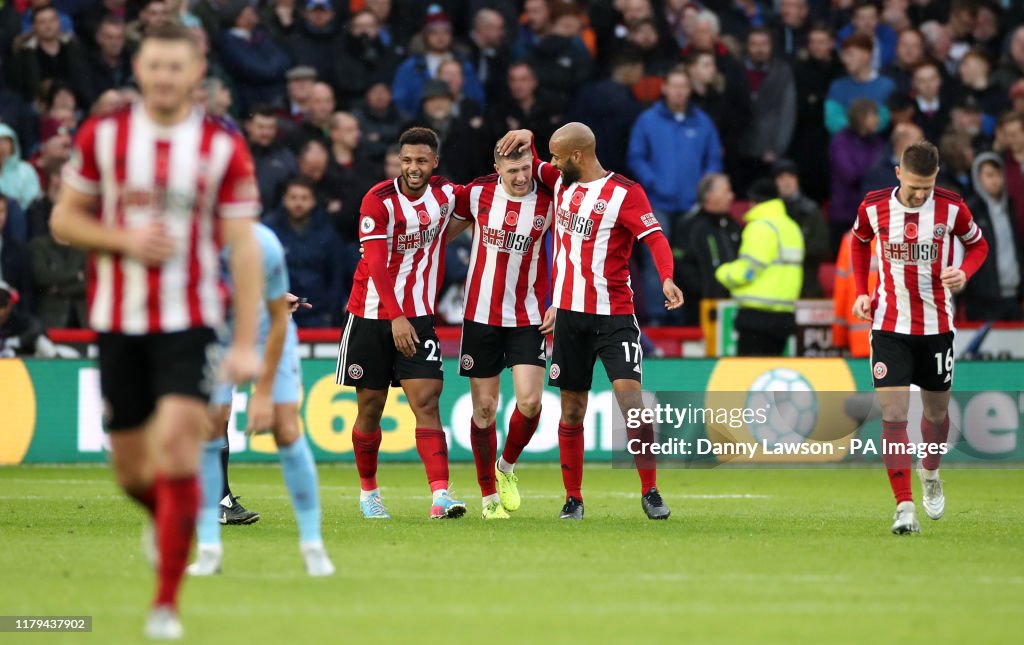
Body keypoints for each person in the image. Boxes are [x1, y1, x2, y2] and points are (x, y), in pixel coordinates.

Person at [49, 23, 263, 640]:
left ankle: (165, 605)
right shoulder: (103, 137)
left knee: (176, 445)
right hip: (118, 321)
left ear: (197, 72)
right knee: (132, 472)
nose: (165, 76)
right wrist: (123, 240)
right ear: (139, 69)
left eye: (177, 66)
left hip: (191, 321)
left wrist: (246, 341)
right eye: (155, 65)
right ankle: (166, 517)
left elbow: (242, 248)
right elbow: (64, 219)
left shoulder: (222, 148)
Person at [497, 123, 684, 521]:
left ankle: (650, 491)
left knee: (632, 403)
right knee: (572, 410)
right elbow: (528, 160)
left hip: (614, 316)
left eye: (556, 156)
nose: (549, 164)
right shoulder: (560, 181)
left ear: (577, 157)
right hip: (569, 319)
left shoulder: (625, 194)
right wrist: (526, 133)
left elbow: (655, 238)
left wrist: (666, 276)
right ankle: (573, 498)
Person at [850, 141, 989, 535]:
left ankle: (930, 471)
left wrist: (965, 273)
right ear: (898, 173)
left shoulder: (951, 208)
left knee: (936, 415)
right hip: (889, 325)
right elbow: (859, 241)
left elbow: (978, 245)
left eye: (927, 186)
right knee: (894, 414)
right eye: (914, 186)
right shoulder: (874, 206)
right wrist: (862, 290)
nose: (920, 194)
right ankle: (904, 506)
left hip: (937, 327)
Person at [335, 127, 467, 520]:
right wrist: (395, 317)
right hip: (372, 316)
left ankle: (440, 496)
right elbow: (375, 263)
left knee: (426, 402)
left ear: (434, 163)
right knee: (371, 407)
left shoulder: (446, 195)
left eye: (421, 161)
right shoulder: (378, 201)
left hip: (420, 316)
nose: (413, 168)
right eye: (407, 160)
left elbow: (485, 191)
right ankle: (369, 493)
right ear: (399, 160)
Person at [188, 223, 334, 577]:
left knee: (285, 428)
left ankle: (313, 546)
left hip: (270, 330)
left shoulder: (264, 243)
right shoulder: (187, 240)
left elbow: (277, 319)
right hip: (218, 335)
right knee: (209, 426)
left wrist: (263, 392)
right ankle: (208, 550)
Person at [446, 144, 553, 519]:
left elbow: (574, 249)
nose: (521, 177)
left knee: (530, 402)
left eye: (526, 169)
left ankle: (506, 467)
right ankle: (489, 498)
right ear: (497, 169)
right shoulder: (477, 193)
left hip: (528, 317)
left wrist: (558, 302)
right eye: (513, 171)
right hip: (481, 316)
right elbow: (440, 232)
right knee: (485, 409)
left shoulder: (549, 200)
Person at [627, 64, 721, 324]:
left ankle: (686, 314)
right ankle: (658, 314)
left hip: (693, 205)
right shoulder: (647, 120)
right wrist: (654, 183)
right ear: (665, 88)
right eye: (674, 86)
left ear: (690, 90)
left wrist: (703, 190)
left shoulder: (703, 122)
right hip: (657, 203)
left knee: (690, 259)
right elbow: (636, 157)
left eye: (683, 86)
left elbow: (713, 160)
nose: (679, 91)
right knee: (655, 258)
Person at [715, 181, 805, 356]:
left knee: (750, 378)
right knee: (770, 376)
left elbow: (748, 271)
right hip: (784, 316)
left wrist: (722, 273)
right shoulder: (791, 227)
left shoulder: (760, 227)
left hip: (756, 316)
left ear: (753, 202)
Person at [674, 173, 742, 326]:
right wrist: (705, 291)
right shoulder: (690, 226)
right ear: (709, 195)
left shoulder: (733, 226)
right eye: (727, 191)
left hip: (732, 308)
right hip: (698, 311)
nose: (732, 196)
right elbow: (681, 265)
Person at [962, 152, 1023, 321]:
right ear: (977, 177)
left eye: (998, 174)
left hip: (1013, 296)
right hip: (982, 300)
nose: (995, 180)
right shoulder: (970, 210)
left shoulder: (1011, 208)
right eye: (989, 175)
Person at [772, 159, 828, 298]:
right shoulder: (770, 211)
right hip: (776, 285)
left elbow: (820, 247)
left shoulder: (811, 211)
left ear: (797, 180)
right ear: (775, 182)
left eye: (790, 177)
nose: (786, 182)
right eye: (781, 178)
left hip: (806, 284)